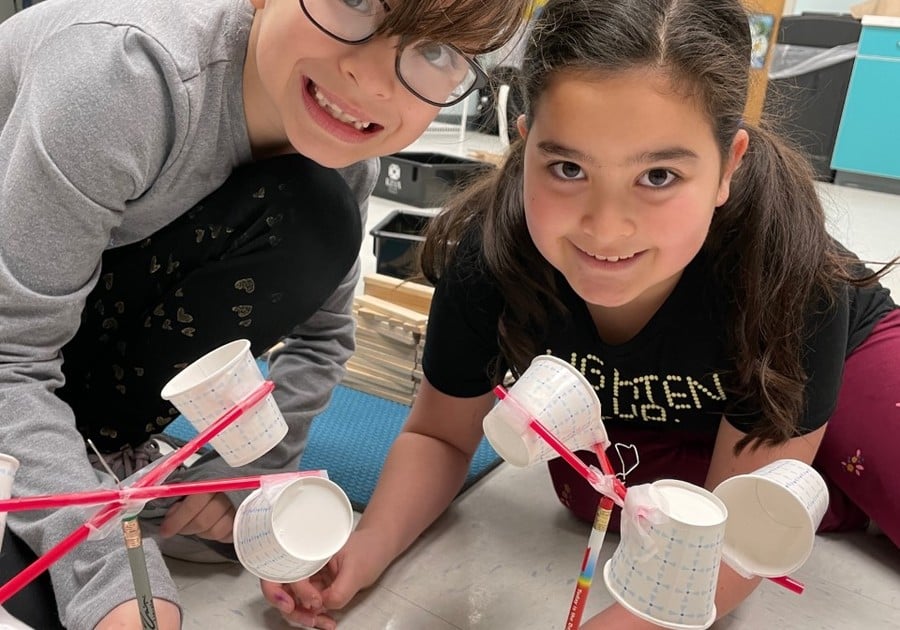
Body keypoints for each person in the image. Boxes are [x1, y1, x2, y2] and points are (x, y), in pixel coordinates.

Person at [266, 0, 900, 627]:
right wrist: (365, 548)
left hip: (838, 355)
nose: (605, 228)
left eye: (658, 176)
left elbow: (737, 534)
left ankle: (820, 449)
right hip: (675, 417)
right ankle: (818, 471)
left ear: (727, 167)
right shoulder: (492, 259)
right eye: (567, 167)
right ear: (523, 149)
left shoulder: (789, 272)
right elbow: (440, 434)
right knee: (586, 495)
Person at [0, 0, 528, 628]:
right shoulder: (125, 75)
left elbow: (324, 338)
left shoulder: (342, 148)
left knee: (316, 216)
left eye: (436, 51)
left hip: (62, 331)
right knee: (47, 597)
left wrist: (244, 473)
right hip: (15, 332)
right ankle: (55, 463)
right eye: (355, 2)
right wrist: (106, 570)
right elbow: (11, 357)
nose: (373, 80)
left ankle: (86, 452)